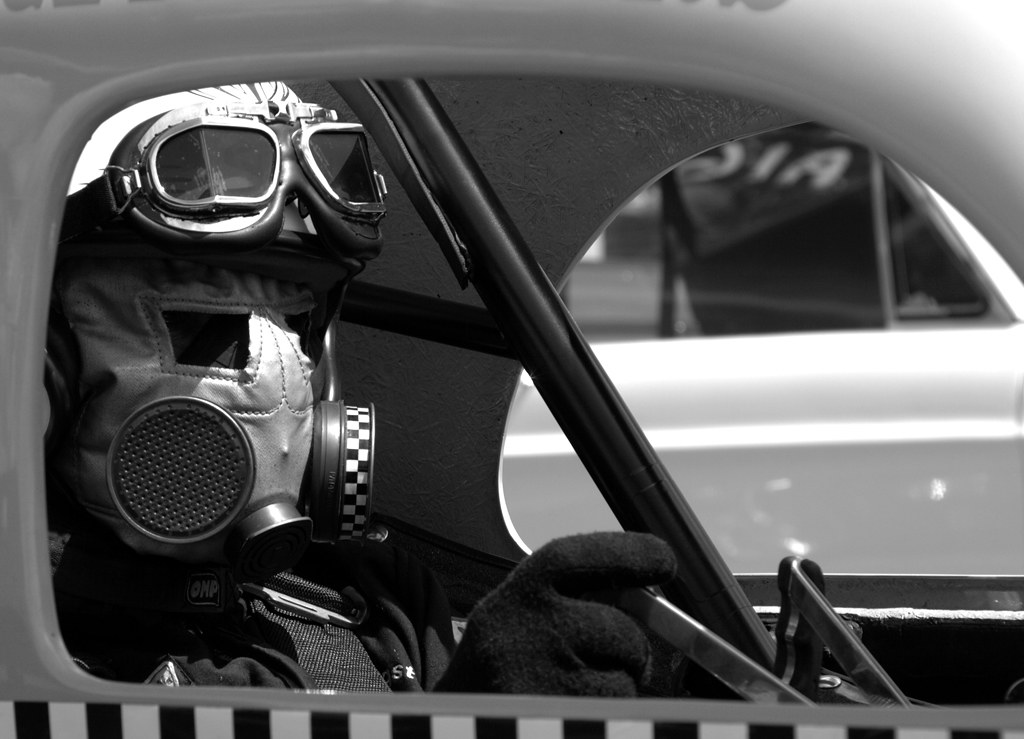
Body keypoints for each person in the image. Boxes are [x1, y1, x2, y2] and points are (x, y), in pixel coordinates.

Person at [46, 82, 677, 694]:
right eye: (207, 327)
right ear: (44, 364)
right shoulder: (31, 632)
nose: (276, 376)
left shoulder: (379, 602)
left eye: (295, 322)